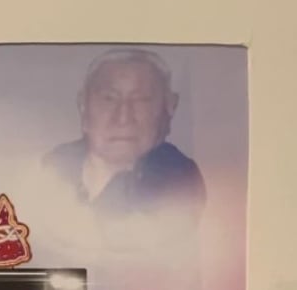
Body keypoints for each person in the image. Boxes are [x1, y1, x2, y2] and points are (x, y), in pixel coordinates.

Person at [43, 48, 205, 232]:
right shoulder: (52, 166)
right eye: (109, 98)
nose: (123, 117)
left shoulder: (179, 179)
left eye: (141, 100)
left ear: (169, 107)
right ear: (83, 105)